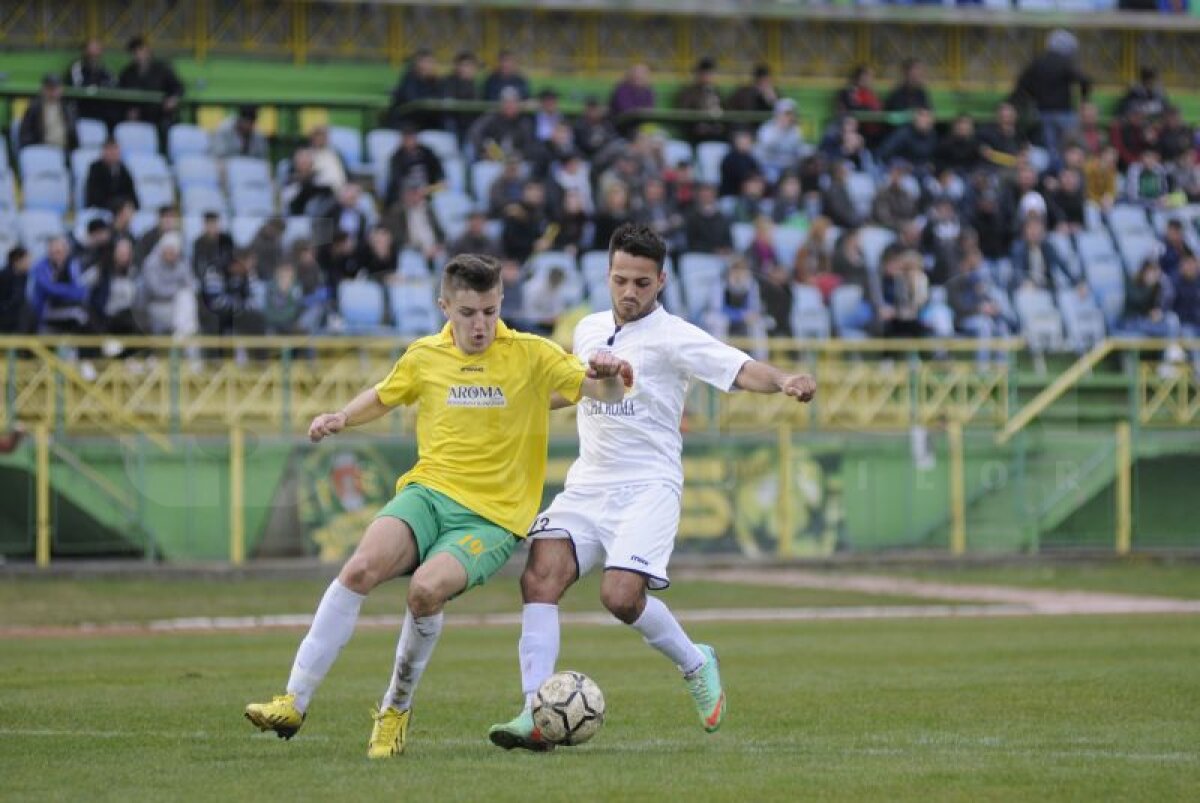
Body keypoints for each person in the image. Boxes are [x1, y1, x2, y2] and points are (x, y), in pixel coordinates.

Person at [244, 253, 634, 758]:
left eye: (490, 312)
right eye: (468, 312)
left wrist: (609, 373)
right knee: (359, 568)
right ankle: (293, 700)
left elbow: (602, 392)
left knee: (426, 591)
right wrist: (341, 417)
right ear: (444, 306)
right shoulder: (424, 356)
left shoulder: (533, 355)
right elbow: (385, 395)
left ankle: (394, 710)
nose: (481, 325)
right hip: (427, 494)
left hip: (492, 519)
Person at [487, 223, 816, 751]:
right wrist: (514, 404)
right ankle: (535, 713)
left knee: (619, 598)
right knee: (539, 576)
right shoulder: (589, 329)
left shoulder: (675, 336)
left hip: (648, 487)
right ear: (607, 275)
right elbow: (573, 389)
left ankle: (695, 660)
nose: (630, 292)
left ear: (660, 280)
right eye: (621, 280)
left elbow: (740, 367)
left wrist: (783, 381)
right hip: (589, 484)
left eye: (642, 282)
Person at [117, 35, 184, 131]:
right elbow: (121, 94)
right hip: (137, 117)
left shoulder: (162, 69)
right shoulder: (127, 73)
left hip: (160, 114)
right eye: (135, 51)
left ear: (147, 50)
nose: (138, 54)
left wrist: (173, 99)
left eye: (141, 50)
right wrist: (129, 109)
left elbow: (178, 87)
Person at [18, 73, 78, 151]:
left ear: (61, 89)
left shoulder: (67, 108)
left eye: (55, 88)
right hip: (42, 150)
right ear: (43, 89)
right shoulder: (34, 108)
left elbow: (73, 133)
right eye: (50, 88)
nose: (53, 92)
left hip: (65, 150)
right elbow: (25, 134)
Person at [65, 39, 116, 127]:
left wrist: (96, 89)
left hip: (101, 109)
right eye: (91, 50)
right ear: (85, 51)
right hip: (81, 109)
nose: (93, 54)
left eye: (97, 50)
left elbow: (113, 85)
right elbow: (78, 88)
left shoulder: (106, 70)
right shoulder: (76, 68)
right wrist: (97, 88)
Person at [85, 138, 138, 210]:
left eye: (115, 149)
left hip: (122, 207)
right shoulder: (95, 168)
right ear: (104, 152)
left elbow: (131, 192)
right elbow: (94, 195)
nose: (113, 153)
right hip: (101, 207)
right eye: (110, 150)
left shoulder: (123, 168)